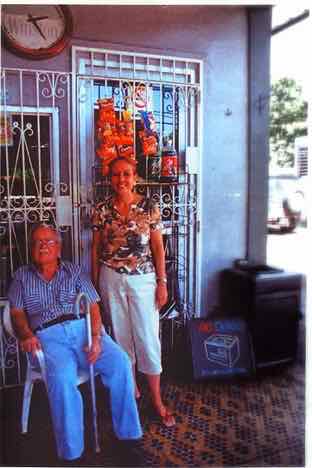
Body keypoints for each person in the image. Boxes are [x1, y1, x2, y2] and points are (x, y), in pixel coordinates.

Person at [7, 223, 143, 464]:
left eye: (49, 241)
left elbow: (92, 305)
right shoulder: (21, 277)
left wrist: (98, 338)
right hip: (48, 336)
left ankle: (129, 438)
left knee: (120, 363)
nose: (43, 246)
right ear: (31, 249)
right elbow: (17, 314)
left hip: (84, 329)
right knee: (62, 379)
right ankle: (72, 454)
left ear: (59, 248)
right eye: (38, 242)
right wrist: (26, 335)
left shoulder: (75, 271)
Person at [91, 156, 176, 427]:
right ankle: (131, 392)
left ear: (135, 176)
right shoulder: (102, 209)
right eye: (116, 175)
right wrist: (95, 286)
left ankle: (156, 399)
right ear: (109, 179)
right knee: (120, 337)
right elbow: (96, 249)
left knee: (148, 337)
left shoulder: (149, 206)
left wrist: (162, 282)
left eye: (126, 174)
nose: (121, 180)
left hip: (144, 281)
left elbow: (158, 248)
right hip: (111, 278)